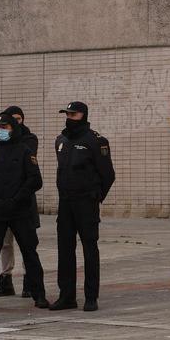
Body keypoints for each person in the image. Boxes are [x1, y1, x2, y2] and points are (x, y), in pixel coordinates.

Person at [0, 113, 50, 310]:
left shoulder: (25, 151)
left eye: (4, 127)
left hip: (19, 212)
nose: (0, 131)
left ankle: (38, 295)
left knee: (30, 254)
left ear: (13, 129)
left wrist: (16, 200)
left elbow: (35, 180)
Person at [50, 101, 115, 312]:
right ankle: (66, 296)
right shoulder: (61, 140)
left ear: (83, 115)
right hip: (66, 203)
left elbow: (108, 174)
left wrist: (95, 197)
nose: (69, 118)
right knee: (65, 250)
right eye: (67, 114)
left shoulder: (95, 141)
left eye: (74, 114)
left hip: (86, 202)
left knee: (89, 248)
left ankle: (91, 296)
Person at [0, 105, 39, 298]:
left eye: (18, 119)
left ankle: (29, 279)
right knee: (5, 242)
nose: (15, 123)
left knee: (26, 242)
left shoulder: (29, 138)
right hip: (3, 201)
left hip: (23, 200)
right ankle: (5, 278)